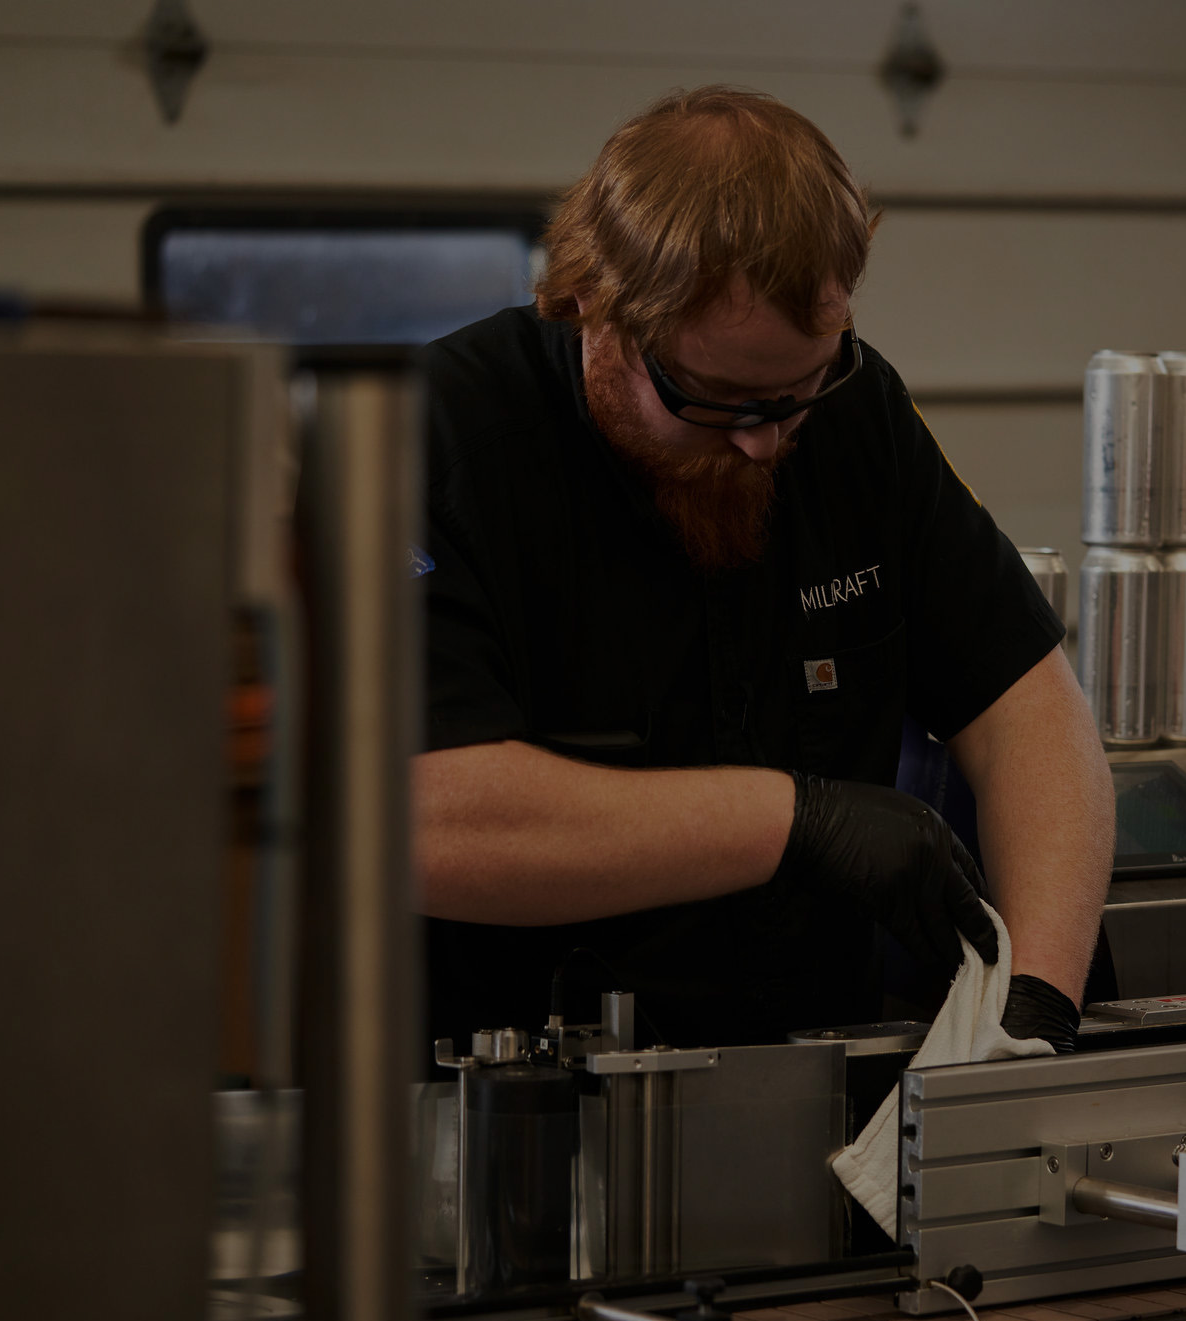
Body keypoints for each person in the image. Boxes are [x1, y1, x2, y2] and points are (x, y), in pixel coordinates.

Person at [413, 85, 1113, 1063]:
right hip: (508, 1120)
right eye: (718, 401)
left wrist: (1035, 1005)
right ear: (590, 307)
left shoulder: (854, 420)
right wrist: (796, 821)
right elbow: (422, 819)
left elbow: (1030, 712)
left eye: (798, 394)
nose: (765, 444)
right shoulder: (440, 442)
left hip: (808, 1088)